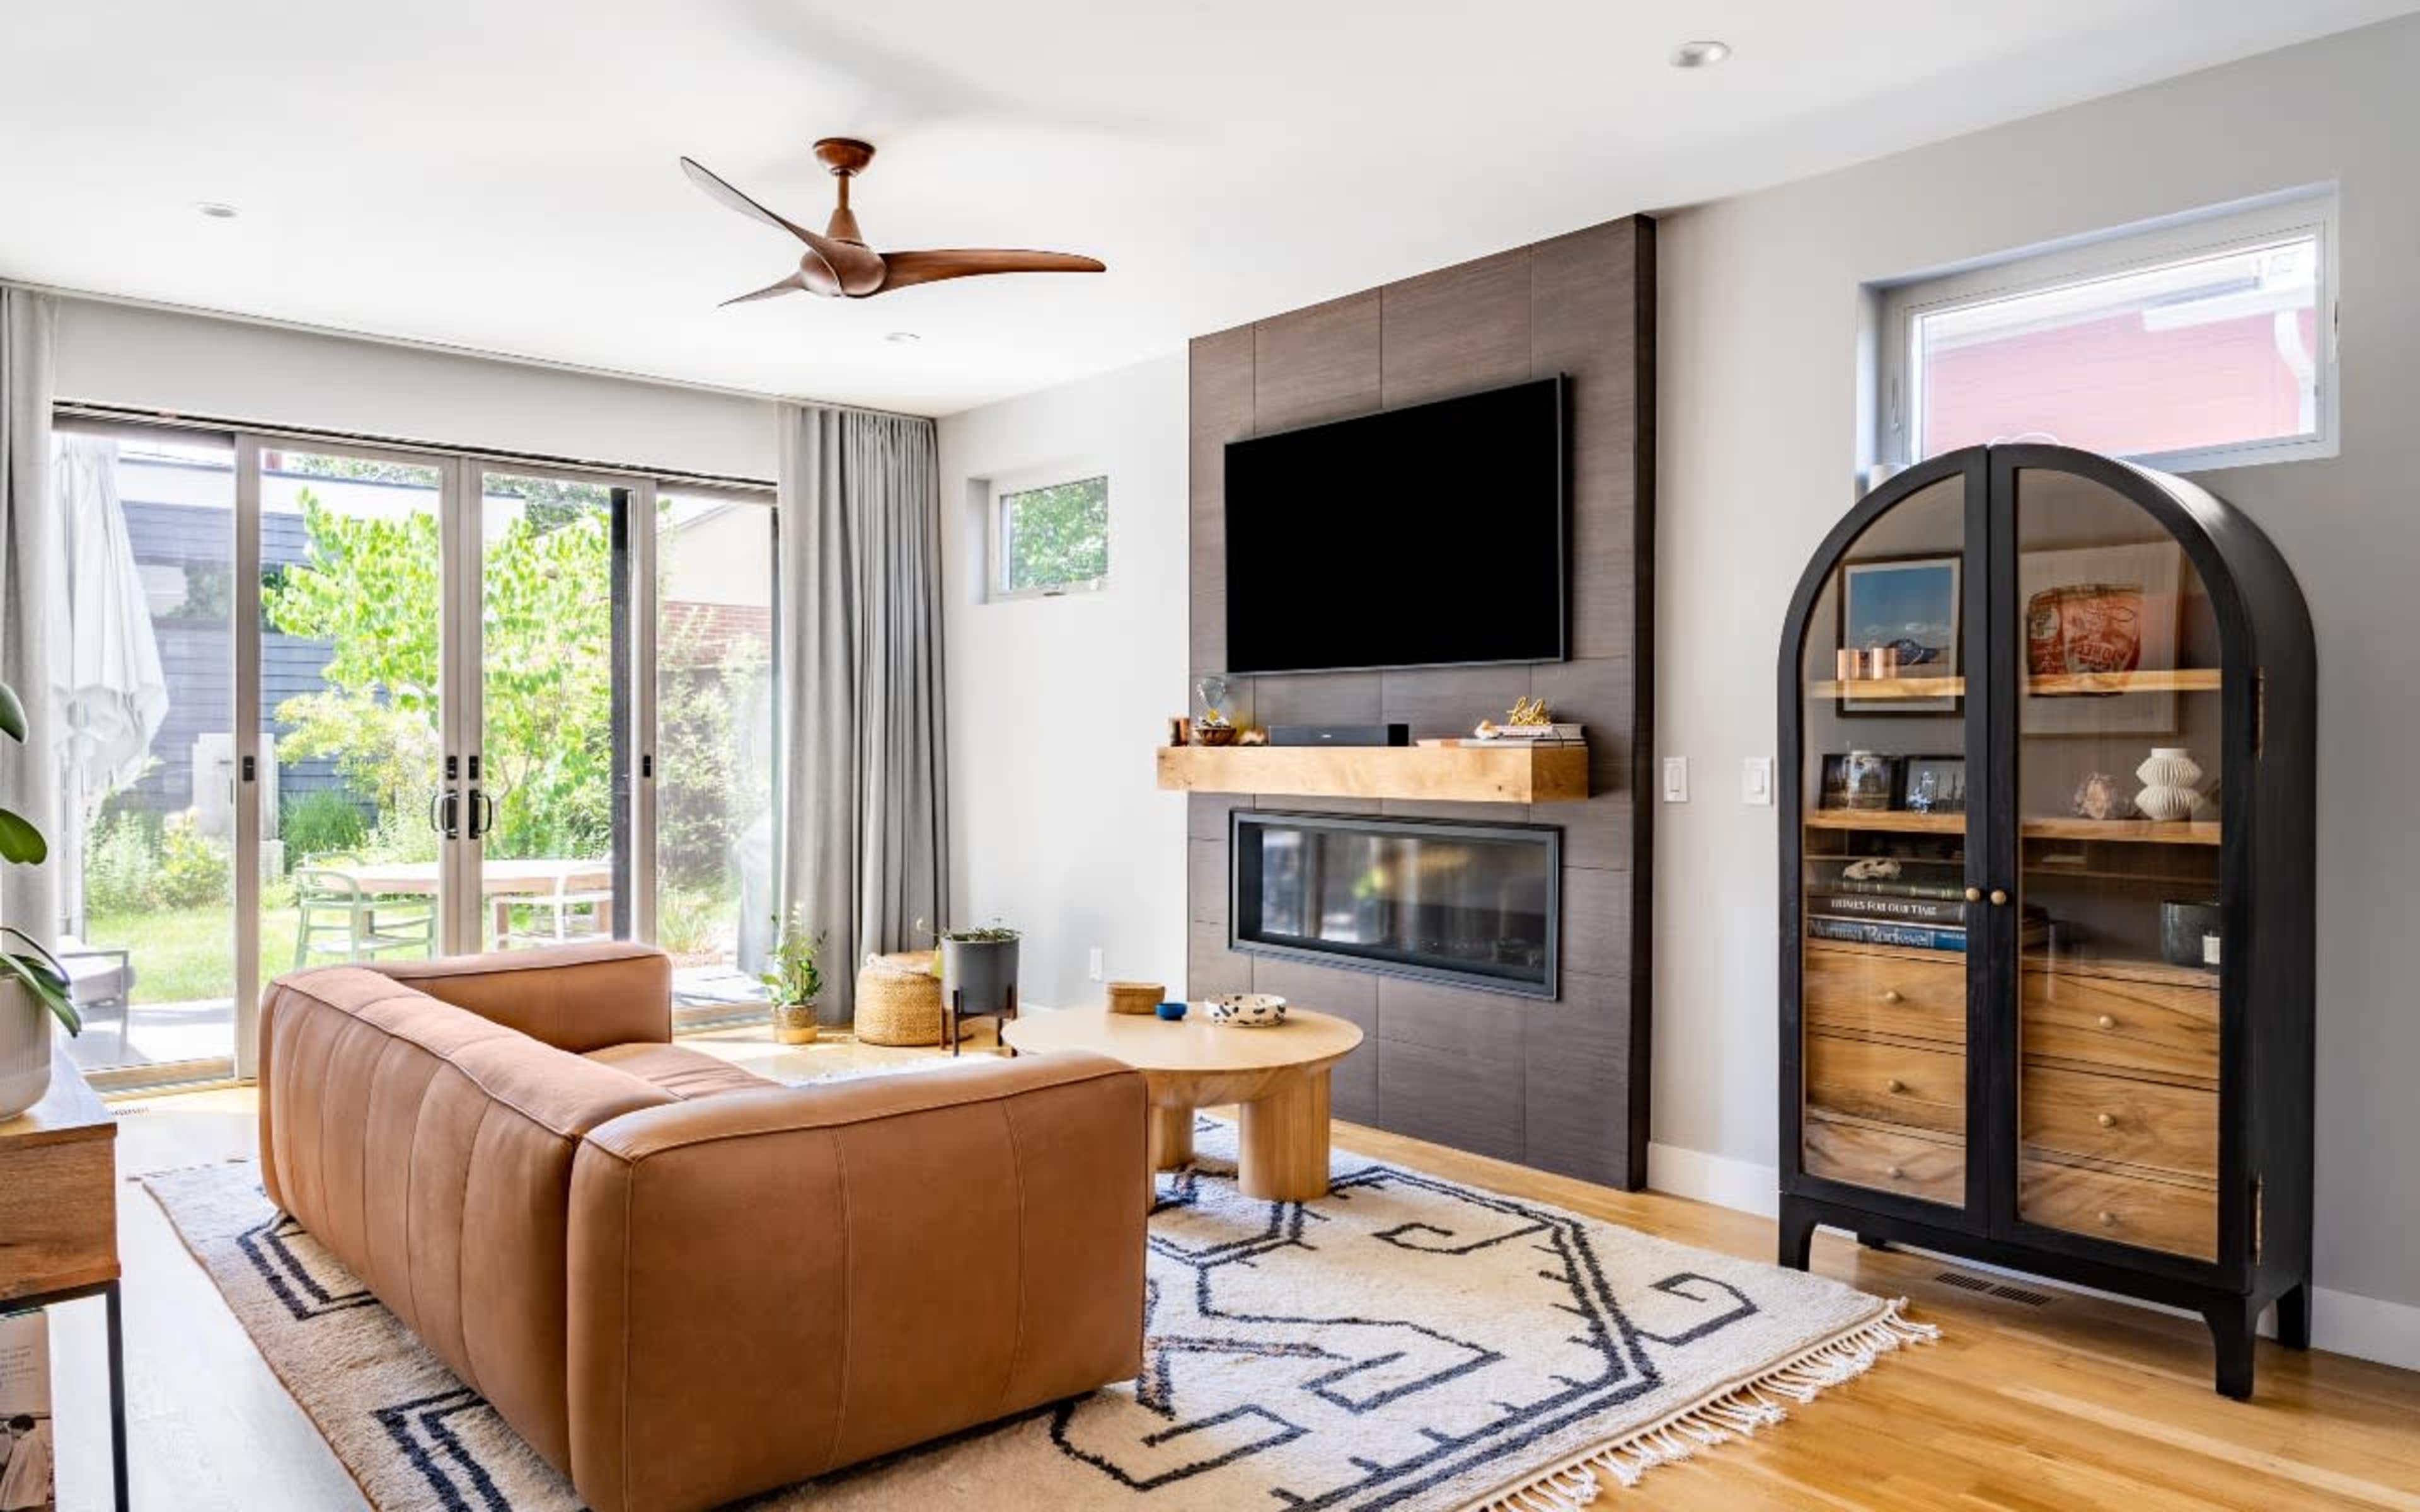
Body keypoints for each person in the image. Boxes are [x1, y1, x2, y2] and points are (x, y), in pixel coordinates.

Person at [0, 1413, 49, 1511]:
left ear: (22, 1427)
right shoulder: (22, 1441)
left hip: (29, 1483)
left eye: (14, 1429)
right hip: (22, 1482)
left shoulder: (34, 1441)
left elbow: (39, 1466)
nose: (12, 1432)